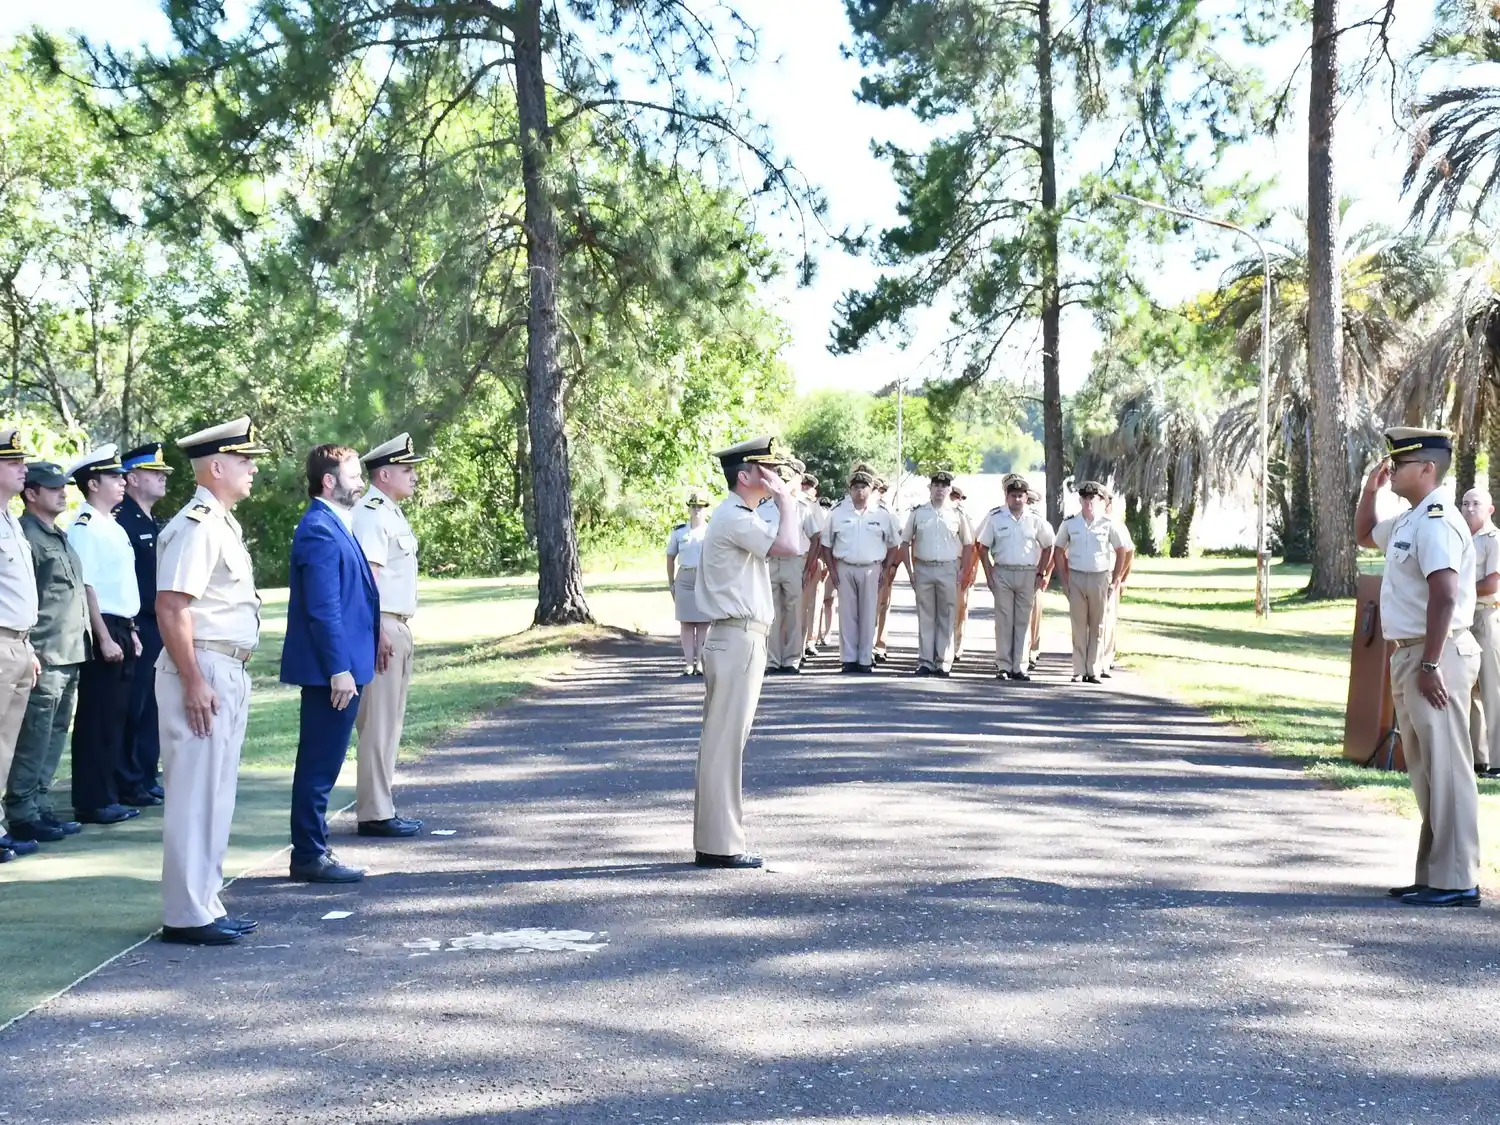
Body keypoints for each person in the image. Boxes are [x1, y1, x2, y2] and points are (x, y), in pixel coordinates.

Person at [156, 415, 270, 945]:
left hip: (224, 666)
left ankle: (205, 901)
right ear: (216, 467)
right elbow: (172, 605)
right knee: (195, 794)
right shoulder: (198, 523)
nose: (252, 469)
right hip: (202, 666)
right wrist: (193, 679)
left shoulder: (221, 523)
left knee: (216, 794)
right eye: (244, 460)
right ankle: (186, 913)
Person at [1356, 427, 1481, 907]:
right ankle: (1434, 875)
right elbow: (1364, 535)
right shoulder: (1410, 519)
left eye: (1401, 464)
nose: (1392, 469)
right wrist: (1371, 492)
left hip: (1438, 654)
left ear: (1428, 469)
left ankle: (1458, 880)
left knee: (1448, 768)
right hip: (1413, 653)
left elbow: (1445, 596)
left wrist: (1429, 663)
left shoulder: (1437, 520)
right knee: (1428, 771)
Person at [692, 436, 802, 868]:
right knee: (724, 745)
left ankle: (716, 840)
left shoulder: (739, 514)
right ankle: (721, 845)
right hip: (737, 638)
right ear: (745, 476)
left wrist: (781, 499)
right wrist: (787, 501)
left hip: (737, 637)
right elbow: (790, 546)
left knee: (721, 743)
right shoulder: (734, 516)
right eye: (765, 469)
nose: (773, 476)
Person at [282, 444, 381, 884]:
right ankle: (309, 854)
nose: (360, 483)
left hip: (344, 667)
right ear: (328, 481)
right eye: (353, 475)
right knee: (319, 766)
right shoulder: (319, 529)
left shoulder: (335, 522)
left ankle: (314, 847)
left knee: (325, 762)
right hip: (332, 674)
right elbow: (324, 609)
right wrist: (339, 669)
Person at [4, 462, 88, 845]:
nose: (62, 493)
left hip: (69, 650)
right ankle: (22, 811)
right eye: (53, 488)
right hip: (45, 650)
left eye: (62, 487)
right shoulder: (27, 534)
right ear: (32, 493)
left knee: (53, 735)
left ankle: (38, 803)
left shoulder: (57, 535)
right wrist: (32, 649)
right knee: (33, 738)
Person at [351, 433, 428, 839]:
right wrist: (378, 629)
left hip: (397, 625)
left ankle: (382, 806)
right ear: (384, 474)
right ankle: (374, 813)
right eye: (406, 469)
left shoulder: (390, 512)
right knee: (378, 726)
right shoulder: (372, 513)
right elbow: (369, 580)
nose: (413, 476)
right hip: (382, 625)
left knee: (390, 724)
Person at [65, 446, 143, 825]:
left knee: (116, 716)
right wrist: (104, 637)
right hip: (103, 627)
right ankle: (93, 800)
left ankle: (109, 794)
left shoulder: (112, 525)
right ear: (93, 484)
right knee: (98, 717)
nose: (122, 481)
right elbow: (87, 586)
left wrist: (131, 631)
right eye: (114, 477)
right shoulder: (85, 527)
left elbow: (121, 586)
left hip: (121, 625)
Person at [115, 443, 173, 807]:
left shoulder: (149, 520)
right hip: (138, 623)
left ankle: (145, 774)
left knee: (154, 704)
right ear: (132, 479)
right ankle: (129, 779)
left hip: (157, 622)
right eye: (154, 473)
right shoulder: (123, 519)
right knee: (134, 705)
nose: (162, 478)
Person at [0, 427, 41, 863]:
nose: (22, 468)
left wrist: (28, 648)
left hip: (18, 642)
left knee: (6, 743)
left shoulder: (11, 520)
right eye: (12, 462)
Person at [977, 473, 1055, 681]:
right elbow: (982, 547)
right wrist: (989, 572)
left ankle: (1020, 666)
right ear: (1006, 496)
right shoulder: (996, 517)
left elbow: (1049, 545)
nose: (1017, 499)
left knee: (1023, 621)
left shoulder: (1035, 519)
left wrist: (1041, 572)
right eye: (1013, 495)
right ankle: (1003, 665)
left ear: (1026, 497)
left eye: (1021, 495)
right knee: (1004, 620)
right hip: (1003, 571)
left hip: (1027, 573)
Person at [824, 469, 900, 672]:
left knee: (868, 614)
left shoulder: (882, 513)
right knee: (847, 614)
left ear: (871, 489)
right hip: (845, 566)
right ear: (849, 490)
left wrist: (886, 568)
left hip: (871, 568)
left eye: (864, 487)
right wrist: (832, 570)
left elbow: (894, 544)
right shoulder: (837, 512)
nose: (859, 491)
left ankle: (865, 658)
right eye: (855, 487)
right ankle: (849, 659)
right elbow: (826, 544)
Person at [1053, 480, 1129, 684]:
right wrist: (1064, 580)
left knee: (1098, 625)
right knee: (1078, 625)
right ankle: (1078, 670)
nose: (1088, 502)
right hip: (1077, 577)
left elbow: (1121, 551)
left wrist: (1115, 579)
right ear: (1080, 500)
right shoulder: (1070, 523)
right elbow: (1058, 550)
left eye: (1092, 498)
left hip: (1099, 577)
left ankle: (1093, 669)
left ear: (1099, 500)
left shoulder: (1107, 524)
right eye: (1085, 498)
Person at [901, 471, 973, 677]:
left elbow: (968, 544)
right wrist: (910, 571)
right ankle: (926, 661)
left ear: (949, 489)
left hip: (948, 568)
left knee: (947, 615)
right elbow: (904, 542)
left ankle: (943, 661)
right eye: (936, 485)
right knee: (926, 615)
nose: (940, 489)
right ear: (930, 488)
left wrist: (963, 570)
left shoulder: (957, 514)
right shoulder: (918, 513)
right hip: (923, 568)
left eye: (944, 485)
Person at [764, 462, 822, 674]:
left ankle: (791, 659)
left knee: (794, 613)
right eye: (779, 481)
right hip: (769, 562)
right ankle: (772, 660)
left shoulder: (802, 507)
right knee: (771, 614)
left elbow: (816, 537)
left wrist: (808, 566)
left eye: (787, 481)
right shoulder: (763, 507)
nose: (783, 485)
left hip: (793, 563)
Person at [1461, 488, 1500, 778]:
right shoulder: (1460, 538)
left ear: (1490, 509)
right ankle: (1479, 758)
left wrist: (1456, 591)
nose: (1469, 508)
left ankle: (1498, 762)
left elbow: (1491, 585)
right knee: (1468, 689)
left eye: (1476, 503)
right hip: (1462, 618)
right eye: (1465, 503)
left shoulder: (1494, 540)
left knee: (1492, 688)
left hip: (1486, 617)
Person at [666, 490, 712, 675]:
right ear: (689, 509)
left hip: (704, 577)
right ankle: (688, 663)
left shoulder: (711, 531)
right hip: (684, 577)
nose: (697, 510)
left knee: (703, 622)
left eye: (700, 507)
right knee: (686, 622)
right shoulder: (679, 532)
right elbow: (670, 556)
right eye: (693, 506)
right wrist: (671, 583)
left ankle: (700, 662)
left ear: (706, 509)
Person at [1097, 488, 1137, 679]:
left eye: (1105, 501)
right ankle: (1091, 659)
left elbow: (1128, 552)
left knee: (1108, 619)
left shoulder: (1117, 525)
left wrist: (1121, 578)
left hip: (1110, 576)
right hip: (1091, 576)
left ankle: (1105, 660)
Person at [949, 485, 981, 663]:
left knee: (960, 608)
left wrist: (970, 570)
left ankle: (957, 645)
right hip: (944, 563)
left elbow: (975, 546)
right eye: (951, 496)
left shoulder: (966, 517)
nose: (953, 500)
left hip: (961, 564)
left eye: (956, 497)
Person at [1025, 487, 1046, 671]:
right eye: (1028, 501)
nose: (1030, 505)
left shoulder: (1040, 522)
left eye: (1032, 502)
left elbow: (1051, 548)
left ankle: (1032, 650)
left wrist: (1045, 573)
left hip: (1037, 572)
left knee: (1035, 616)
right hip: (1019, 571)